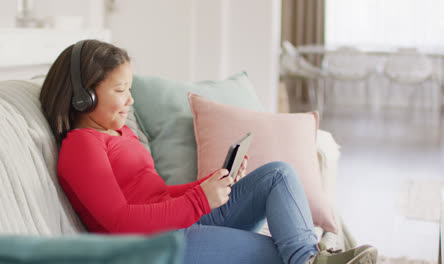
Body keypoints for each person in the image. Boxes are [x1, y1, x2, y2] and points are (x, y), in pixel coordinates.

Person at [40, 39, 377, 264]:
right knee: (279, 252)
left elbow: (155, 195)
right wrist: (200, 200)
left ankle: (311, 260)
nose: (130, 100)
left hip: (178, 223)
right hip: (155, 247)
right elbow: (119, 222)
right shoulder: (82, 146)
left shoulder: (118, 131)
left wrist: (207, 187)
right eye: (120, 90)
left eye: (130, 89)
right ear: (84, 96)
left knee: (278, 174)